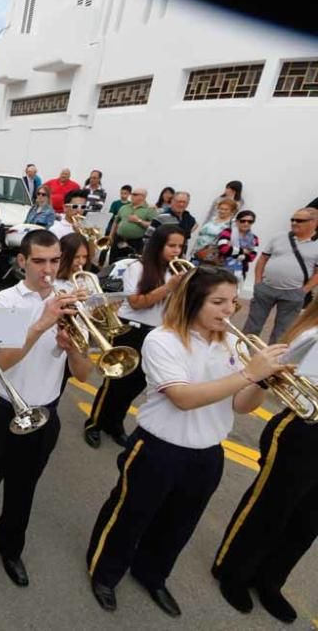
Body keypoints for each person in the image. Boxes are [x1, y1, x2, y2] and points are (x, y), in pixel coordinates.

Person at [86, 265, 288, 618]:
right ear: (193, 301)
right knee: (130, 514)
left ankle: (153, 574)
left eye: (232, 302)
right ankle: (105, 573)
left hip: (208, 452)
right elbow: (183, 397)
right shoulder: (162, 340)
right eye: (218, 302)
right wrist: (248, 373)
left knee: (179, 524)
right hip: (158, 448)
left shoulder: (232, 343)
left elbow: (241, 406)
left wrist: (262, 383)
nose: (228, 310)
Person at [0, 230, 92, 592]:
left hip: (44, 412)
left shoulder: (69, 300)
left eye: (55, 260)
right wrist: (41, 323)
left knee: (23, 490)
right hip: (1, 409)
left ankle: (9, 547)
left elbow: (83, 372)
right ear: (23, 261)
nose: (48, 269)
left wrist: (71, 346)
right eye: (40, 261)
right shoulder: (3, 303)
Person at [212, 300, 318, 624]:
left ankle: (270, 580)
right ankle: (233, 570)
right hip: (304, 427)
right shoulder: (313, 334)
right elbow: (281, 375)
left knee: (309, 519)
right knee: (272, 506)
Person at [83, 225, 187, 448]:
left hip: (157, 333)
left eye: (180, 246)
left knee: (137, 384)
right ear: (158, 245)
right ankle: (94, 423)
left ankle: (115, 424)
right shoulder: (137, 268)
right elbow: (137, 303)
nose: (177, 251)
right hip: (130, 330)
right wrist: (169, 287)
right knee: (116, 382)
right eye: (172, 245)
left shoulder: (177, 272)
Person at [243, 208, 318, 342]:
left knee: (282, 332)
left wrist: (303, 291)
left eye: (299, 220)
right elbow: (263, 259)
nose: (294, 222)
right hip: (266, 288)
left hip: (293, 293)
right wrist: (258, 282)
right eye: (292, 219)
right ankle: (239, 356)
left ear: (314, 222)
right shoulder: (278, 237)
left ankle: (270, 361)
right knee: (252, 326)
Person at [109, 187, 156, 261]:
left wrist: (139, 220)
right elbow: (116, 221)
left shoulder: (149, 210)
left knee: (130, 263)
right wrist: (111, 236)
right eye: (132, 194)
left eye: (135, 194)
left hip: (135, 242)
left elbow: (154, 225)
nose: (131, 196)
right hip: (119, 239)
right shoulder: (124, 207)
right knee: (113, 262)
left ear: (143, 197)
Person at [191, 198, 237, 265]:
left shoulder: (232, 224)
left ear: (232, 211)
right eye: (221, 208)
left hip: (211, 256)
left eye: (226, 209)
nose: (222, 211)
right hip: (197, 252)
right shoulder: (213, 218)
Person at [218, 210, 259, 280]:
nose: (246, 223)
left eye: (250, 221)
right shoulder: (228, 232)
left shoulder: (254, 238)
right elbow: (223, 249)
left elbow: (252, 257)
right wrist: (243, 250)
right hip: (221, 268)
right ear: (237, 221)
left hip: (240, 272)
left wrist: (232, 249)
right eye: (243, 221)